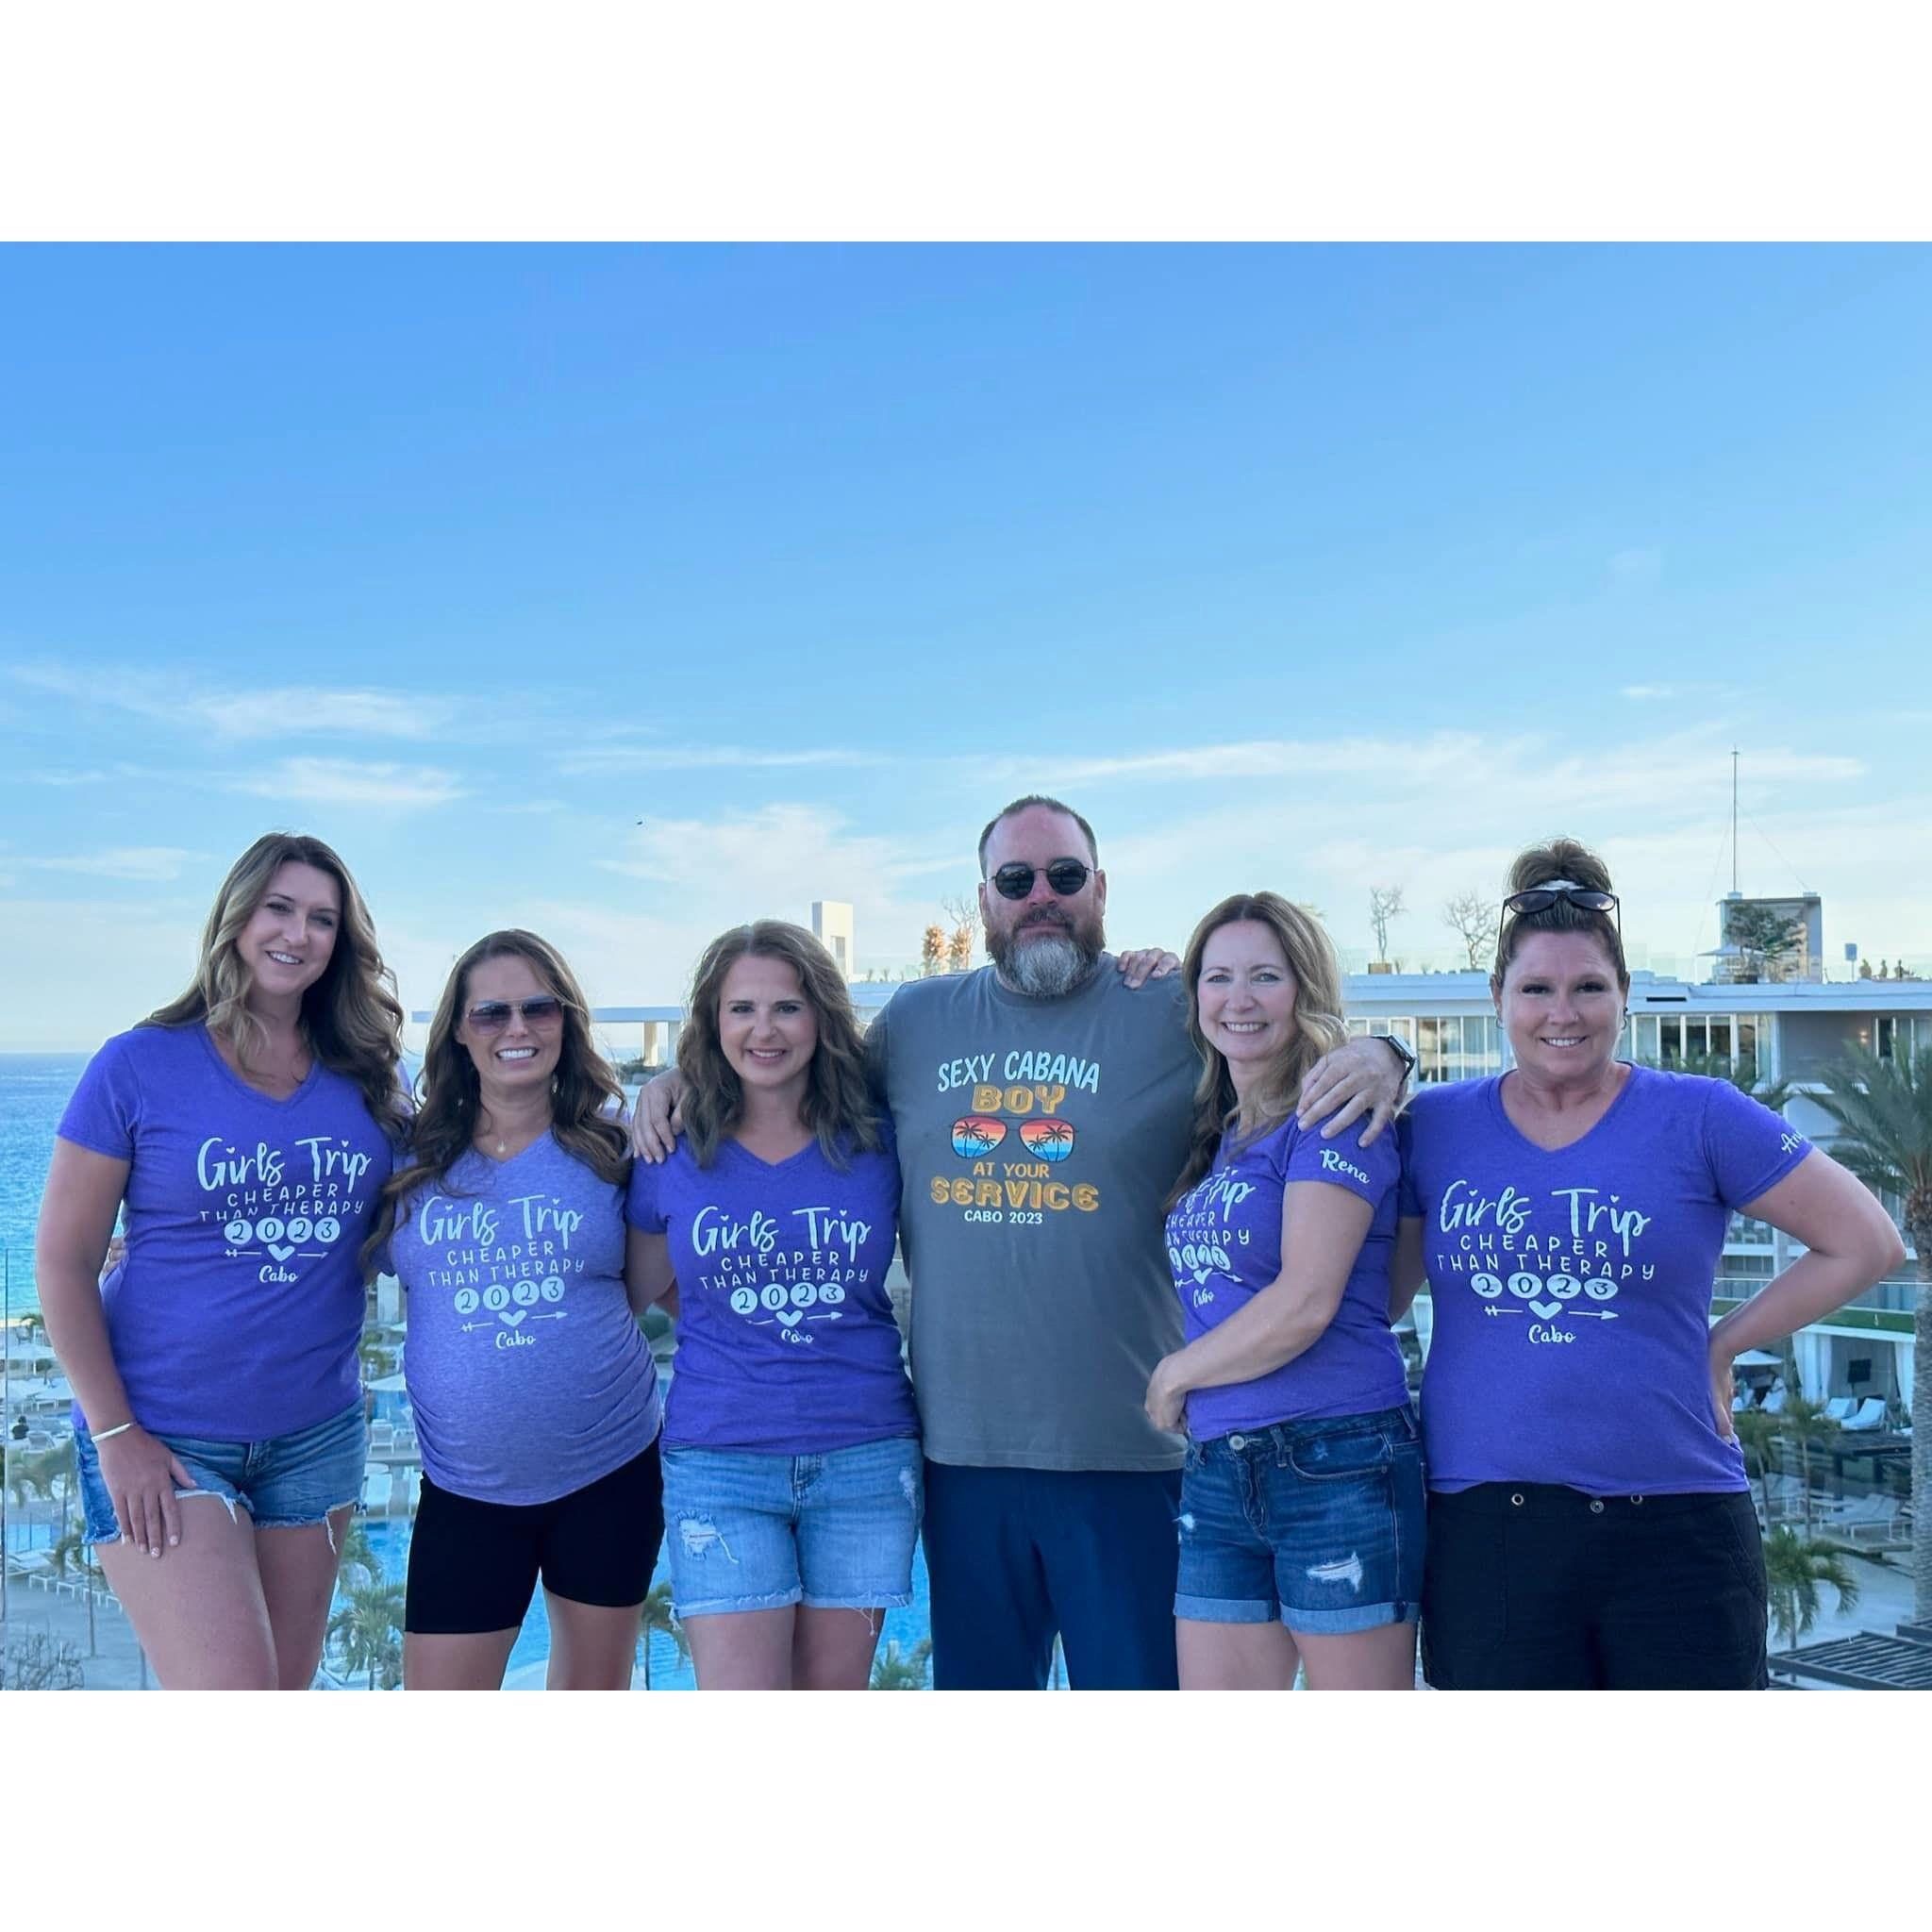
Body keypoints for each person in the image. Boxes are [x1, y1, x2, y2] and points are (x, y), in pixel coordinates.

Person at [638, 795, 1409, 1689]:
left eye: (1064, 876)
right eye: (1015, 880)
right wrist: (668, 1079)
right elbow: (781, 1059)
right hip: (959, 1455)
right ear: (984, 902)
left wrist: (1389, 1051)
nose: (1041, 895)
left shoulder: (1170, 1003)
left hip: (1131, 1449)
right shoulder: (918, 1022)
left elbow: (1286, 1037)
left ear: (1102, 889)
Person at [1392, 839, 1906, 1690]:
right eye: (1538, 989)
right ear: (1497, 999)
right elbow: (1373, 1299)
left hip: (1678, 1529)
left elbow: (1867, 1242)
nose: (1565, 1012)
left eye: (1590, 987)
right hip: (1490, 1531)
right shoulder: (1435, 1126)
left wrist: (1722, 1343)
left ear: (1625, 997)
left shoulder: (1700, 1116)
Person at [36, 833, 406, 1689]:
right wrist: (115, 1433)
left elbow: (460, 1173)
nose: (298, 933)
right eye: (279, 908)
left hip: (317, 1438)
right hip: (166, 1438)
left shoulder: (367, 1081)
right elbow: (60, 1260)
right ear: (237, 916)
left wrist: (659, 1100)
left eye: (322, 918)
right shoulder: (138, 1065)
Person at [626, 921, 921, 1690]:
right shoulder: (673, 1145)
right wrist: (740, 1317)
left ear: (822, 1017)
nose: (764, 1030)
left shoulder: (879, 1139)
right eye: (741, 1009)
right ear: (711, 1022)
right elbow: (644, 1286)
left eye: (787, 1008)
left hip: (865, 1459)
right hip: (720, 1461)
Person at [373, 930, 666, 1690]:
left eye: (540, 1008)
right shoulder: (408, 1161)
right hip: (465, 1487)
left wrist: (675, 1089)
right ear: (458, 1034)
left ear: (566, 1022)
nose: (517, 1029)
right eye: (491, 1013)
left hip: (612, 1471)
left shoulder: (616, 1148)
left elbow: (659, 1285)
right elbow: (306, 1256)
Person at [1145, 893, 1424, 1689]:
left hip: (1335, 1460)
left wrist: (1177, 1373)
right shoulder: (1228, 1135)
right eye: (1218, 976)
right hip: (1220, 1467)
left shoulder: (1335, 1117)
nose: (1239, 999)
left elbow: (1308, 1302)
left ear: (1305, 988)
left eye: (1265, 976)